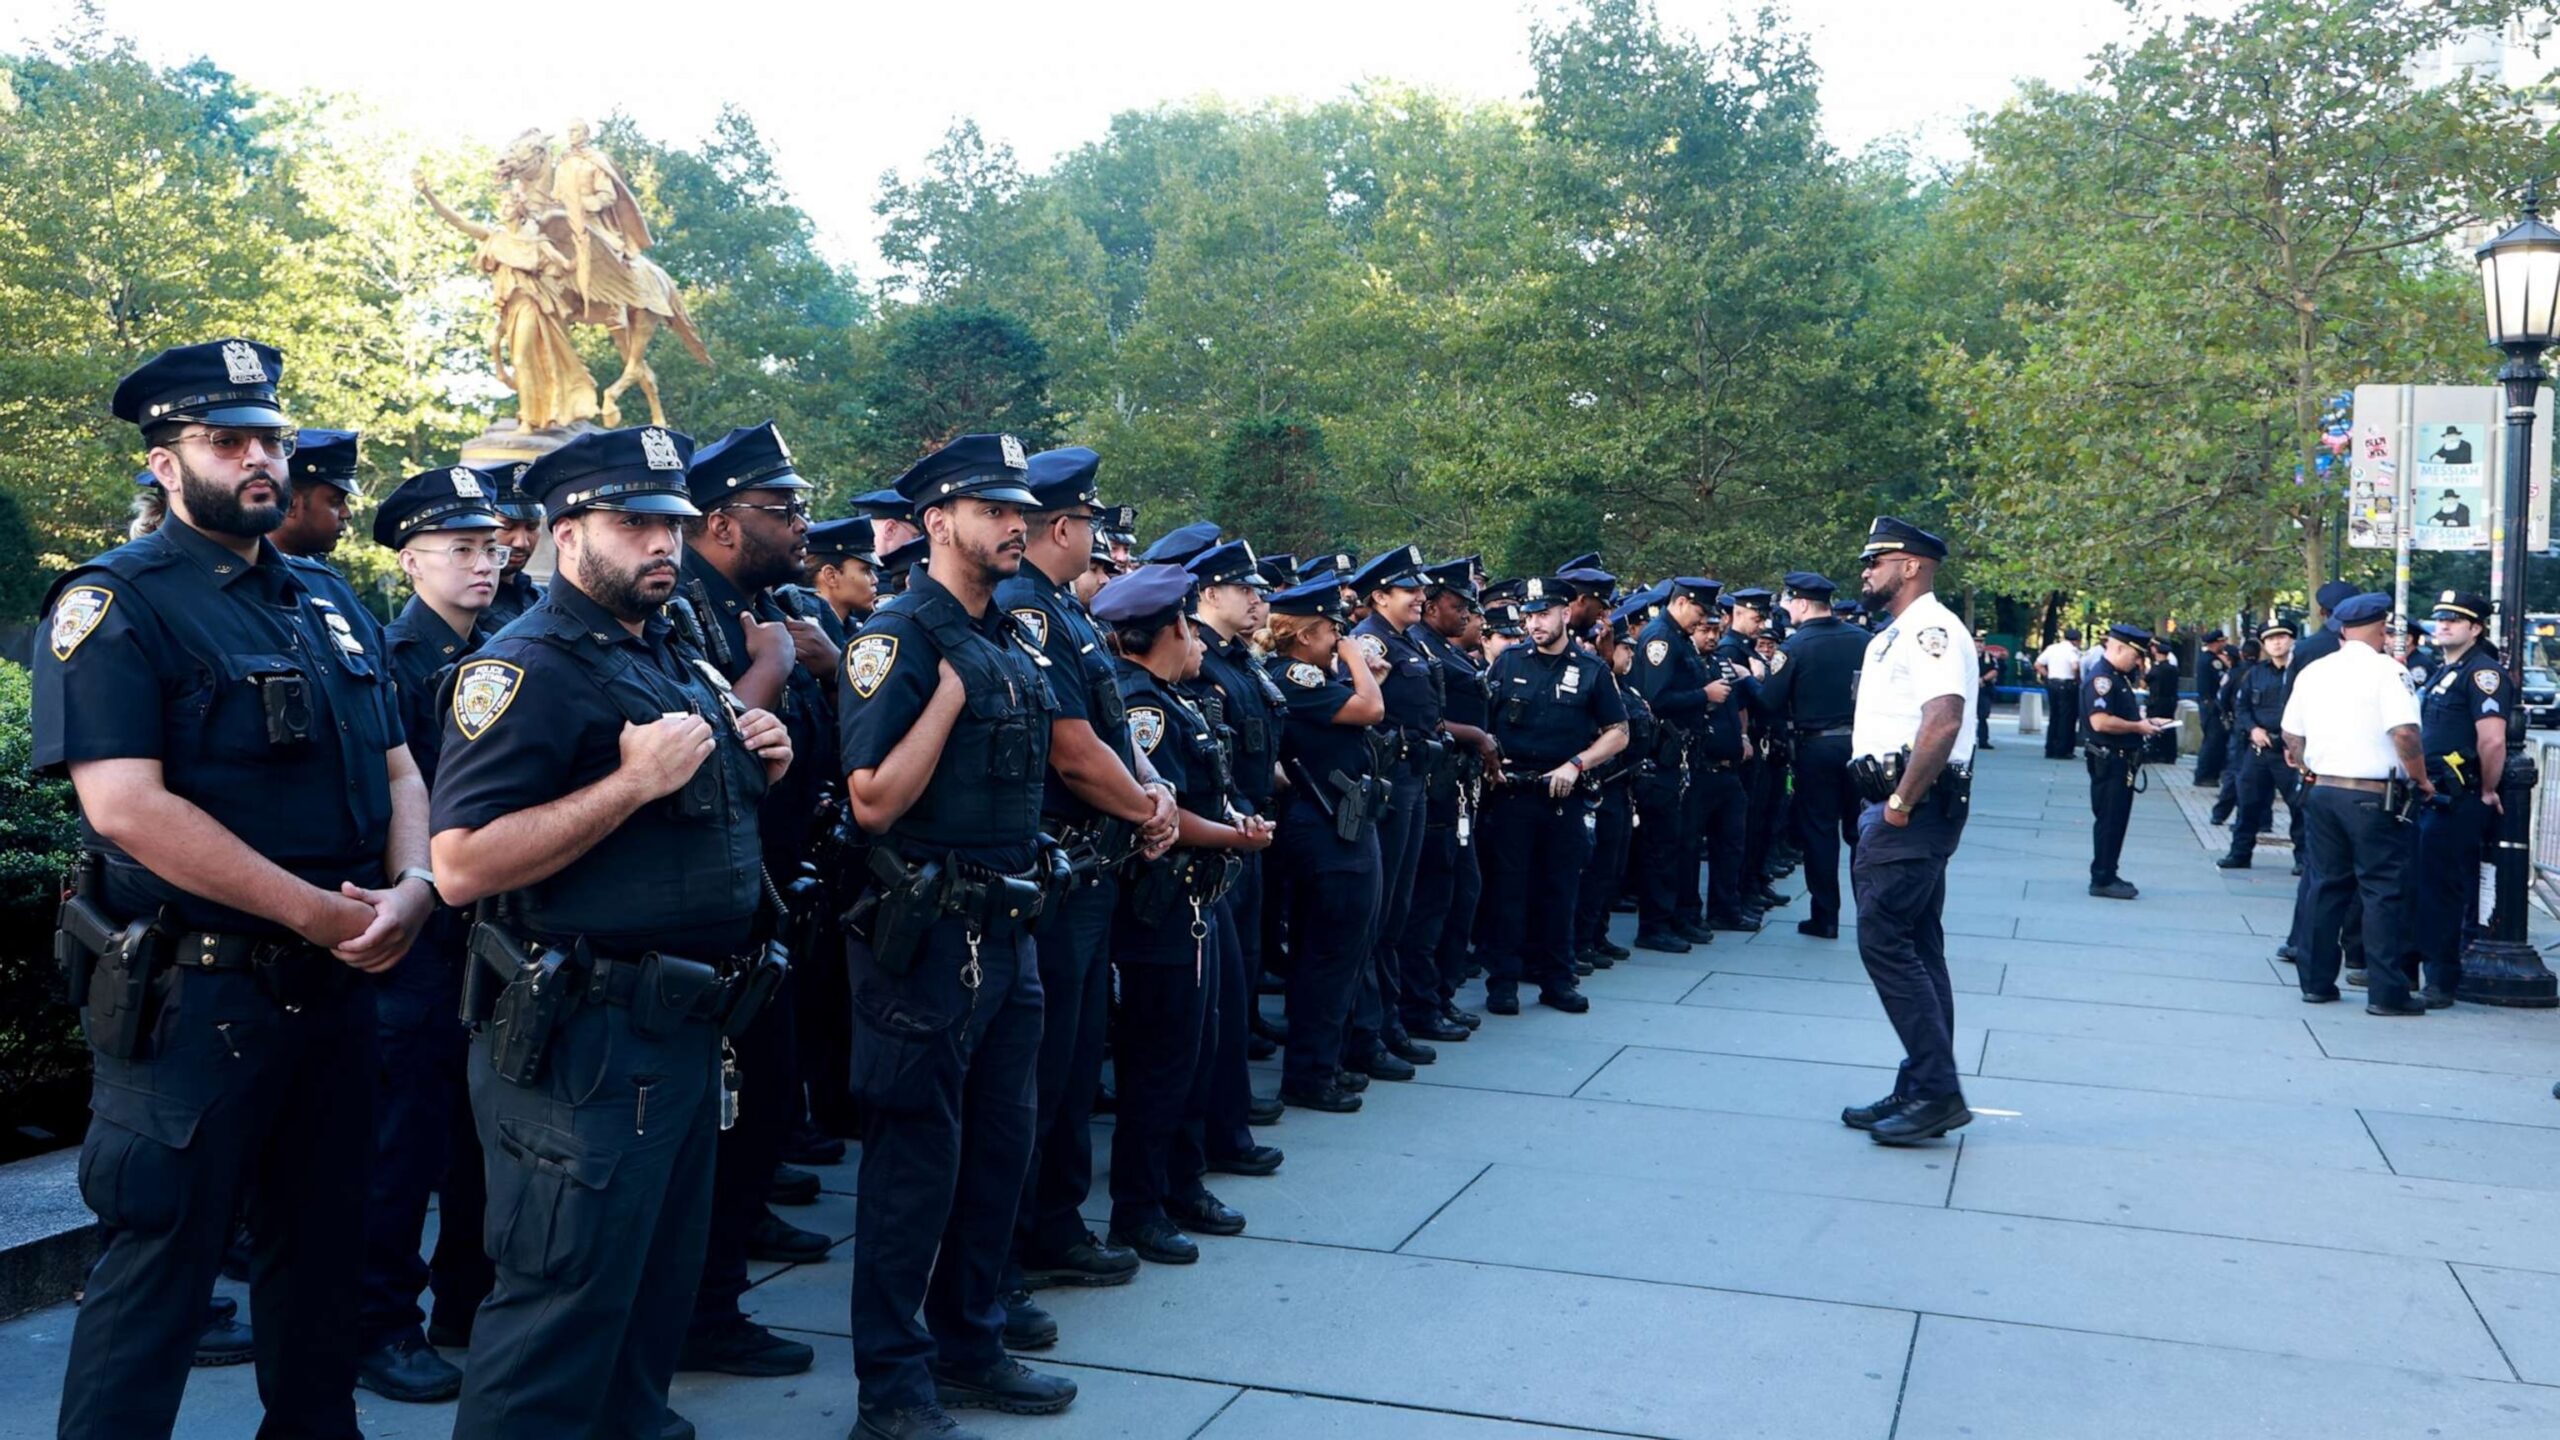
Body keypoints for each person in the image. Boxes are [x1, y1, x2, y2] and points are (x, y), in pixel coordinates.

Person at [38, 339, 433, 1440]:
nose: (262, 459)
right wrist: (315, 912)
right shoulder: (119, 602)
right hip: (194, 1005)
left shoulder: (325, 597)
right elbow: (125, 806)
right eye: (229, 442)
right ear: (166, 463)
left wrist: (415, 886)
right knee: (156, 1281)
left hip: (342, 990)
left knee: (321, 1269)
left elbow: (399, 765)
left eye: (272, 438)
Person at [428, 425, 790, 1440]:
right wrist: (631, 784)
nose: (661, 544)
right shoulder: (527, 665)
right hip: (585, 1045)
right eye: (632, 522)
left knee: (648, 1307)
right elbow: (459, 863)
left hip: (678, 1028)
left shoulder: (664, 649)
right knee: (559, 1313)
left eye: (670, 523)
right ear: (565, 531)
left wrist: (755, 751)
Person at [836, 434, 1082, 1438]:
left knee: (997, 1151)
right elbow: (872, 800)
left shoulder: (1010, 636)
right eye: (991, 509)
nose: (1013, 524)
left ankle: (972, 1344)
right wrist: (944, 697)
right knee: (913, 1168)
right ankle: (892, 1388)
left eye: (1017, 509)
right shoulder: (899, 638)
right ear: (937, 522)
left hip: (1004, 928)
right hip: (926, 938)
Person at [670, 421, 839, 1380]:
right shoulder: (695, 605)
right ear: (724, 523)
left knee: (763, 1107)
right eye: (783, 512)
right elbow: (709, 748)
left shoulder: (773, 602)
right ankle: (706, 1309)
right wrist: (772, 667)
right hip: (715, 902)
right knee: (733, 1113)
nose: (800, 524)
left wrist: (813, 668)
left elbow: (818, 745)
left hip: (771, 892)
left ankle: (721, 1278)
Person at [994, 446, 1176, 1327]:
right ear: (1062, 528)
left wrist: (1152, 789)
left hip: (1093, 866)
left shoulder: (1065, 613)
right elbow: (1071, 749)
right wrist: (1145, 808)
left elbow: (1110, 732)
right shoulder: (1027, 612)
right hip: (1059, 873)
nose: (1100, 539)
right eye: (1093, 524)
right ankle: (1023, 1234)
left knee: (1071, 1063)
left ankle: (1057, 1222)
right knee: (1042, 1068)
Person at [355, 465, 510, 1404]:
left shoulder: (504, 648)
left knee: (478, 1137)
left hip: (492, 926)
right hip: (425, 931)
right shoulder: (389, 658)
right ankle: (380, 1323)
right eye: (461, 549)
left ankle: (465, 1298)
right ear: (411, 560)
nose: (484, 564)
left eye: (491, 547)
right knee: (403, 1142)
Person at [1092, 565, 1276, 1263]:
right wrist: (1236, 836)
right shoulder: (1146, 705)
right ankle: (1139, 1207)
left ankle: (1184, 1181)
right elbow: (1158, 814)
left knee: (1198, 1050)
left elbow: (1205, 787)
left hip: (1203, 897)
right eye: (1189, 628)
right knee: (1161, 1061)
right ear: (1172, 627)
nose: (1199, 640)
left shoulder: (1179, 698)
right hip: (1165, 904)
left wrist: (1235, 819)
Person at [1838, 516, 1978, 1147]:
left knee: (1884, 940)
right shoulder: (1896, 634)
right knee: (1918, 945)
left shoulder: (1931, 629)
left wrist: (1899, 802)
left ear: (1912, 565)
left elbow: (1943, 721)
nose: (1866, 571)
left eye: (1877, 561)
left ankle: (1938, 1091)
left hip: (1912, 809)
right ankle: (1923, 1082)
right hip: (1899, 805)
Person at [1181, 540, 1293, 1158]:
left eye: (1258, 589)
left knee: (1241, 978)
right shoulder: (1200, 662)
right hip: (1221, 835)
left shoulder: (1242, 660)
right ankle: (1223, 1124)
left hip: (1252, 830)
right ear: (1209, 594)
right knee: (1220, 993)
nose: (1258, 599)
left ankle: (1231, 1107)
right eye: (1244, 589)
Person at [1262, 576, 1389, 1113]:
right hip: (1324, 826)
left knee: (1346, 951)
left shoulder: (1310, 675)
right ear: (1307, 635)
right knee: (1327, 954)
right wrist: (1355, 656)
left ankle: (1326, 1061)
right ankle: (1310, 1074)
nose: (1342, 635)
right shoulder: (1293, 675)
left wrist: (1348, 662)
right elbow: (1371, 709)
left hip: (1342, 821)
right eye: (1333, 629)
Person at [1475, 577, 1630, 1014]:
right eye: (1529, 615)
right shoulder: (1506, 664)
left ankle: (1557, 979)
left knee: (1560, 890)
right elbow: (1485, 723)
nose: (1534, 623)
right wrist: (1490, 761)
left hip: (1563, 795)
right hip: (1512, 795)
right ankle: (1503, 981)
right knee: (1508, 892)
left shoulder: (1591, 669)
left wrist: (1577, 764)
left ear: (1566, 613)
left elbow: (1619, 733)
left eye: (1543, 614)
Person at [2279, 593, 2433, 1015]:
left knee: (2325, 885)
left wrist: (2311, 764)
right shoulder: (2389, 671)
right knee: (2382, 890)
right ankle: (2387, 992)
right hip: (2372, 795)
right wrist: (2420, 778)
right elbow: (2405, 733)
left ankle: (2315, 982)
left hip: (2323, 789)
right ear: (2382, 628)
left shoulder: (2314, 671)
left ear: (2341, 630)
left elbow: (2291, 735)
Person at [2412, 590, 2509, 1007]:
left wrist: (2487, 790)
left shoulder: (2482, 674)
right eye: (2440, 618)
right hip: (2430, 794)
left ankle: (2441, 978)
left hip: (2457, 797)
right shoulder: (2443, 670)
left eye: (2455, 620)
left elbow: (2492, 740)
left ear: (2476, 628)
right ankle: (2416, 969)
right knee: (2421, 885)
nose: (2444, 625)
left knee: (2444, 891)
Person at [1760, 572, 1863, 938]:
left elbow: (1769, 702)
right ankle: (1870, 915)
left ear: (1802, 603)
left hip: (1815, 747)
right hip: (1860, 745)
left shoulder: (1795, 648)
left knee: (1820, 832)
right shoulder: (1865, 641)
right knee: (1859, 832)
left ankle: (1826, 916)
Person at [1626, 578, 1721, 952]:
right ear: (1681, 603)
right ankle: (1655, 925)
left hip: (1682, 754)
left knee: (1682, 841)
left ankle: (1678, 915)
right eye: (1699, 612)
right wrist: (1704, 695)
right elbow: (1656, 698)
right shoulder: (1660, 639)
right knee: (1662, 844)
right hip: (1662, 755)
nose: (1702, 621)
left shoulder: (1679, 638)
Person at [2083, 623, 2175, 899]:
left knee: (2116, 820)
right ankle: (2102, 877)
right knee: (2110, 820)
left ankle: (2108, 870)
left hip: (2121, 761)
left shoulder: (2116, 677)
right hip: (2110, 761)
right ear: (2119, 648)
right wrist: (2138, 728)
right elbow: (2100, 722)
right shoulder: (2103, 679)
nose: (2138, 662)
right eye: (2135, 656)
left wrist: (2145, 722)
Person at [2217, 622, 2301, 868]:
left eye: (2282, 637)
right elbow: (2241, 708)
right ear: (2264, 644)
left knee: (2298, 806)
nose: (2277, 643)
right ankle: (2240, 853)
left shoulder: (2301, 673)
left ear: (2291, 640)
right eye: (2271, 639)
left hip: (2290, 752)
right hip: (2260, 749)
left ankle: (2303, 860)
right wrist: (2253, 729)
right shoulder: (2255, 673)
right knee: (2248, 803)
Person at [476, 461, 548, 627]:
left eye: (532, 527)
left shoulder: (542, 598)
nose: (521, 542)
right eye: (507, 527)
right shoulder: (461, 608)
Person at [807, 516, 882, 641]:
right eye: (865, 571)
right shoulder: (806, 634)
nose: (875, 580)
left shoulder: (856, 629)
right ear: (831, 576)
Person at [2036, 627, 2083, 759]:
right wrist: (2077, 678)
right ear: (2077, 641)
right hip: (2067, 685)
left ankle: (2050, 748)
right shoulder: (2072, 650)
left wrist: (2048, 675)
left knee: (2054, 716)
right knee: (2066, 718)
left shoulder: (2052, 648)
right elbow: (2075, 666)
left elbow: (2038, 664)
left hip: (2053, 684)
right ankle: (2062, 749)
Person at [2194, 630, 2232, 786]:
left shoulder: (2209, 658)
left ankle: (2210, 773)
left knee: (2215, 740)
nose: (2224, 644)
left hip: (2210, 704)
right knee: (2213, 741)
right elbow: (2222, 680)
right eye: (2221, 641)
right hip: (2211, 705)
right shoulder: (2211, 661)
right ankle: (2205, 775)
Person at [2143, 639, 2182, 763]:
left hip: (2157, 701)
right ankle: (2170, 755)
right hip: (2171, 701)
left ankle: (2154, 753)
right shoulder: (2173, 669)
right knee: (2169, 726)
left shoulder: (2156, 669)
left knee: (2155, 726)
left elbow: (2144, 682)